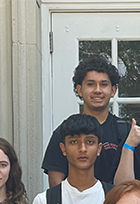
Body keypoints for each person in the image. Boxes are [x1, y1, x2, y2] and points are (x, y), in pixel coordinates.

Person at [42, 57, 128, 186]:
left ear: (113, 91)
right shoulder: (64, 132)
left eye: (104, 84)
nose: (97, 90)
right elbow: (56, 185)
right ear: (79, 90)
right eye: (90, 84)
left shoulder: (125, 131)